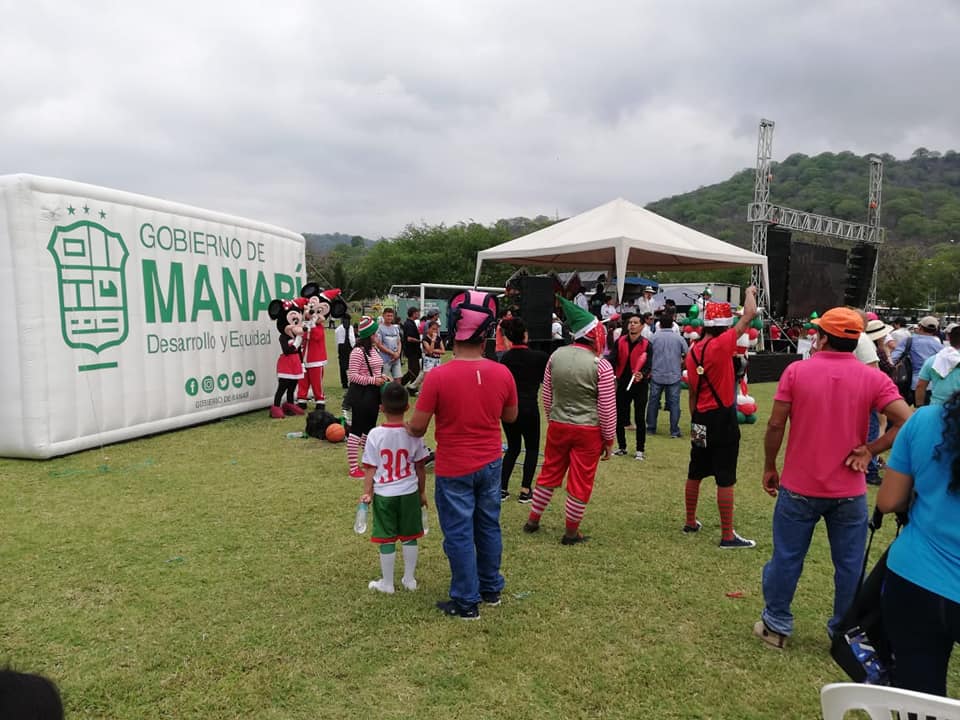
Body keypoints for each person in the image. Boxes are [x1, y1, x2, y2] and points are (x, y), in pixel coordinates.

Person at [754, 307, 911, 649]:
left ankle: (776, 626)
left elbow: (776, 424)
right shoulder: (872, 378)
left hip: (799, 487)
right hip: (849, 491)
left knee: (786, 558)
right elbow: (907, 420)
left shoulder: (797, 371)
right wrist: (871, 450)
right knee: (850, 566)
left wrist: (769, 465)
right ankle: (843, 631)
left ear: (824, 338)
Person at [406, 290, 518, 620]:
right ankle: (490, 588)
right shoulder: (503, 373)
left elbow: (418, 427)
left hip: (454, 466)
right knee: (488, 526)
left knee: (459, 533)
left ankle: (467, 601)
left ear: (453, 332)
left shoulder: (438, 376)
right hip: (490, 462)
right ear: (486, 335)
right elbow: (510, 417)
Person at [877, 390, 960, 696]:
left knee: (919, 700)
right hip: (919, 577)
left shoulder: (925, 420)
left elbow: (889, 501)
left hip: (914, 578)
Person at [523, 295, 616, 545]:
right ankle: (571, 532)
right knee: (580, 480)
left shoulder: (556, 356)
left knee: (549, 471)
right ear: (594, 334)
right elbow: (607, 408)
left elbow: (547, 394)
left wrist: (553, 417)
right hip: (588, 430)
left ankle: (533, 520)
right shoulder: (602, 366)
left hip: (558, 424)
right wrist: (608, 439)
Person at [682, 287, 758, 548]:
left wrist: (695, 420)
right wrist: (750, 292)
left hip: (699, 418)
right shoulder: (722, 344)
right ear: (724, 325)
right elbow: (749, 314)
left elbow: (693, 392)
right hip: (722, 418)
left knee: (695, 470)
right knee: (725, 475)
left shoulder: (693, 351)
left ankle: (690, 521)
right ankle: (727, 535)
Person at [359, 382, 430, 594]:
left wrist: (367, 492)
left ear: (381, 407)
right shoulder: (414, 434)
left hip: (384, 494)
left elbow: (370, 468)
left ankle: (387, 583)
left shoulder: (374, 434)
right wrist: (422, 492)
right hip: (409, 492)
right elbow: (420, 467)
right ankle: (409, 579)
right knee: (410, 536)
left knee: (386, 537)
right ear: (408, 406)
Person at [499, 317, 550, 503]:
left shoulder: (505, 359)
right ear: (525, 335)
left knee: (513, 447)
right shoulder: (539, 357)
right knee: (532, 448)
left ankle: (502, 488)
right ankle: (525, 489)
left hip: (509, 408)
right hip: (529, 407)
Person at [346, 316, 388, 479]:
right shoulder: (358, 352)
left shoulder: (374, 350)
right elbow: (353, 376)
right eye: (375, 333)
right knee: (356, 430)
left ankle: (367, 461)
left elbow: (376, 370)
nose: (377, 336)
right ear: (369, 335)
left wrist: (382, 377)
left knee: (369, 430)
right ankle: (353, 467)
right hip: (361, 394)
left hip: (373, 394)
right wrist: (373, 380)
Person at [608, 313, 651, 460]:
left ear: (642, 326)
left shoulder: (647, 344)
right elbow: (612, 359)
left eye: (635, 322)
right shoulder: (620, 341)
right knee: (619, 416)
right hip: (623, 383)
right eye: (630, 322)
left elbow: (649, 364)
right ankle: (622, 447)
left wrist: (642, 374)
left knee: (639, 417)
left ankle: (640, 450)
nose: (632, 325)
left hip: (640, 385)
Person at [646, 313, 688, 439]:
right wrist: (682, 366)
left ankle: (651, 428)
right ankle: (674, 430)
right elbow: (687, 354)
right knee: (674, 404)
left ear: (659, 324)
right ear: (672, 324)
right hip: (674, 374)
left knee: (653, 402)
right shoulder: (679, 338)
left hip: (656, 373)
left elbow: (647, 355)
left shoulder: (653, 338)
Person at [891, 315, 943, 406]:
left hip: (909, 383)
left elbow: (893, 359)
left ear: (920, 327)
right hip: (931, 385)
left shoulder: (909, 341)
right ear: (935, 330)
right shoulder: (939, 345)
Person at [916, 323, 960, 406]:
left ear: (949, 338)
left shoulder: (933, 360)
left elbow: (920, 386)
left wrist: (919, 406)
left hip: (937, 406)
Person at [406, 319, 444, 393]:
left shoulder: (439, 338)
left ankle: (413, 387)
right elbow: (430, 352)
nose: (435, 331)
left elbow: (443, 351)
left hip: (437, 360)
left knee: (433, 376)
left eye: (436, 329)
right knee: (426, 377)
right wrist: (433, 341)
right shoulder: (425, 339)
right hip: (428, 360)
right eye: (433, 329)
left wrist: (434, 350)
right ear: (428, 329)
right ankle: (421, 391)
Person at [373, 307, 403, 380]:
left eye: (391, 316)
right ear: (383, 316)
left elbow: (399, 342)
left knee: (398, 379)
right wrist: (393, 353)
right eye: (388, 316)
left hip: (396, 359)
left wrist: (398, 353)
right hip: (385, 359)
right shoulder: (379, 328)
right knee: (383, 379)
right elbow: (379, 345)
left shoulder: (395, 328)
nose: (390, 318)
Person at [401, 306, 422, 389]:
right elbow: (409, 338)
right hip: (412, 351)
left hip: (413, 351)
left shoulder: (411, 322)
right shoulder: (409, 324)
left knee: (414, 370)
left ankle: (403, 384)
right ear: (413, 314)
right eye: (417, 313)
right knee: (414, 370)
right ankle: (408, 386)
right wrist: (420, 341)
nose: (419, 314)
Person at [335, 314, 356, 389]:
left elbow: (337, 340)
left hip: (345, 346)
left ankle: (347, 382)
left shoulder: (341, 329)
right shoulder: (347, 328)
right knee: (347, 365)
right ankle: (348, 382)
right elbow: (351, 339)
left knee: (346, 365)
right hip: (346, 347)